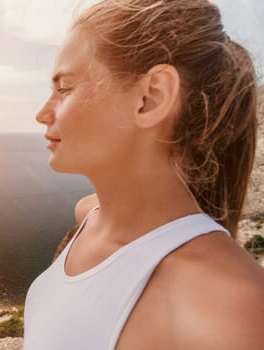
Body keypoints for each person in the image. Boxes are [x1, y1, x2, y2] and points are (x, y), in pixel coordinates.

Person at [24, 0, 264, 349]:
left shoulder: (228, 305)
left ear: (150, 98)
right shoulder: (90, 215)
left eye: (64, 88)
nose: (42, 113)